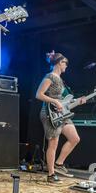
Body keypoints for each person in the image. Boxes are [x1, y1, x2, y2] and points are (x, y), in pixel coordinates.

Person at [35, 51, 86, 183]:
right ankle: (51, 174)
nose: (66, 67)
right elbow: (39, 95)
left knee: (74, 138)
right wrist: (54, 101)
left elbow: (63, 99)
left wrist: (77, 100)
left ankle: (59, 164)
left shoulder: (61, 80)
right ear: (59, 63)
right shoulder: (49, 77)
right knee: (53, 143)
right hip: (49, 113)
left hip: (62, 113)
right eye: (65, 64)